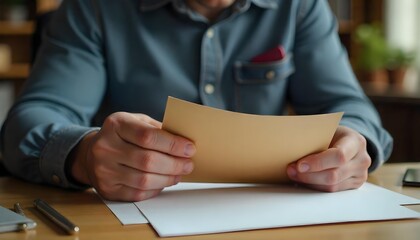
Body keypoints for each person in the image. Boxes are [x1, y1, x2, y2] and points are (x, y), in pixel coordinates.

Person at [0, 0, 392, 201]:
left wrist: (353, 145)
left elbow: (351, 107)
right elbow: (29, 121)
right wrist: (84, 156)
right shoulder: (94, 8)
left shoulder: (300, 7)